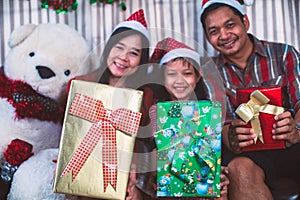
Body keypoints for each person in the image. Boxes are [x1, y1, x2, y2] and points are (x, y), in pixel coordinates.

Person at [200, 0, 300, 199]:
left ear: (245, 22)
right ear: (207, 37)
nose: (224, 36)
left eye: (230, 25)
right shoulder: (209, 71)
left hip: (291, 144)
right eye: (214, 31)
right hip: (247, 153)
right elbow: (221, 122)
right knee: (238, 168)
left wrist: (296, 129)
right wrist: (232, 137)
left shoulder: (283, 54)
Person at [127, 37, 230, 200]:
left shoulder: (208, 110)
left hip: (202, 177)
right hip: (168, 179)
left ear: (198, 76)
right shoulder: (156, 111)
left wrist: (216, 172)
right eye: (172, 74)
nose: (179, 80)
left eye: (187, 73)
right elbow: (159, 148)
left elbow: (211, 149)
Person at [75, 9, 151, 200]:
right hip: (87, 167)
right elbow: (72, 131)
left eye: (133, 53)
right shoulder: (83, 85)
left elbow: (145, 143)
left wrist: (133, 178)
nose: (123, 57)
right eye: (118, 47)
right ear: (108, 48)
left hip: (129, 172)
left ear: (141, 61)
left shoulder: (145, 95)